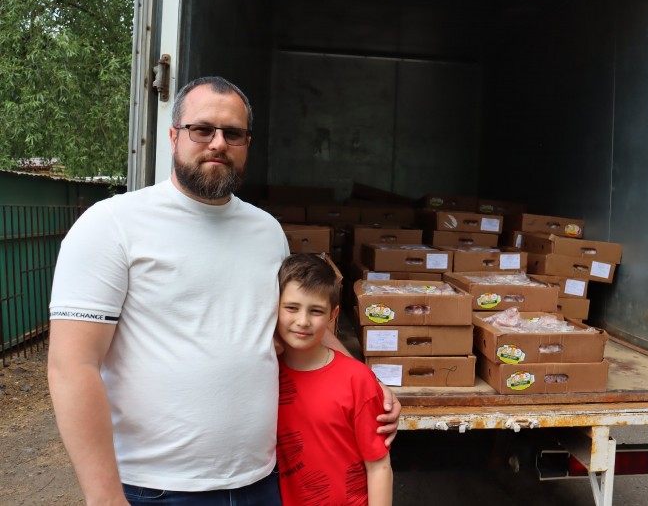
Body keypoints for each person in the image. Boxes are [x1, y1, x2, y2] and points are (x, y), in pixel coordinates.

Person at [47, 76, 400, 505]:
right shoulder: (111, 225)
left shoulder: (266, 231)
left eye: (233, 133)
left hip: (260, 481)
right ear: (174, 136)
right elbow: (72, 366)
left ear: (247, 143)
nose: (218, 143)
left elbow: (300, 323)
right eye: (202, 129)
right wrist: (105, 498)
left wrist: (367, 386)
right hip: (157, 488)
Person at [275, 253, 392, 506]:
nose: (302, 321)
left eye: (316, 311)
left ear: (333, 314)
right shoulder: (267, 377)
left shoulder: (357, 379)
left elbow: (379, 467)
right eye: (291, 308)